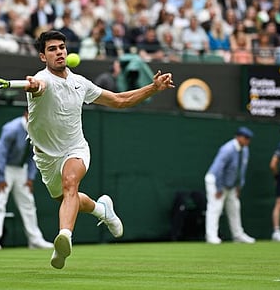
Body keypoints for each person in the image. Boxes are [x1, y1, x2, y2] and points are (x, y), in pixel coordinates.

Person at [23, 30, 174, 269]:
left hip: (76, 148)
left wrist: (153, 88)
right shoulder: (41, 80)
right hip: (45, 158)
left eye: (61, 47)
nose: (59, 52)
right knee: (69, 198)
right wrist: (33, 86)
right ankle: (102, 209)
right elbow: (39, 86)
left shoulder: (79, 83)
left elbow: (119, 100)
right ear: (43, 56)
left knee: (70, 184)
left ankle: (64, 238)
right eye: (52, 49)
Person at [0, 110, 54, 251]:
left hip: (19, 168)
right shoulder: (11, 129)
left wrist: (30, 177)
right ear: (26, 114)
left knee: (28, 203)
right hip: (0, 165)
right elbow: (2, 155)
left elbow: (33, 155)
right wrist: (2, 178)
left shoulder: (37, 130)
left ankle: (35, 240)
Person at [204, 127, 256, 245]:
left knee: (235, 208)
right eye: (246, 138)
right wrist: (218, 187)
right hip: (216, 180)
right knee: (215, 208)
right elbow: (218, 169)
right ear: (238, 137)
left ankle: (238, 235)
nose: (248, 141)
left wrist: (239, 185)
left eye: (249, 139)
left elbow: (241, 169)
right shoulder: (227, 149)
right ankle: (211, 236)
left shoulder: (245, 150)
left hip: (231, 184)